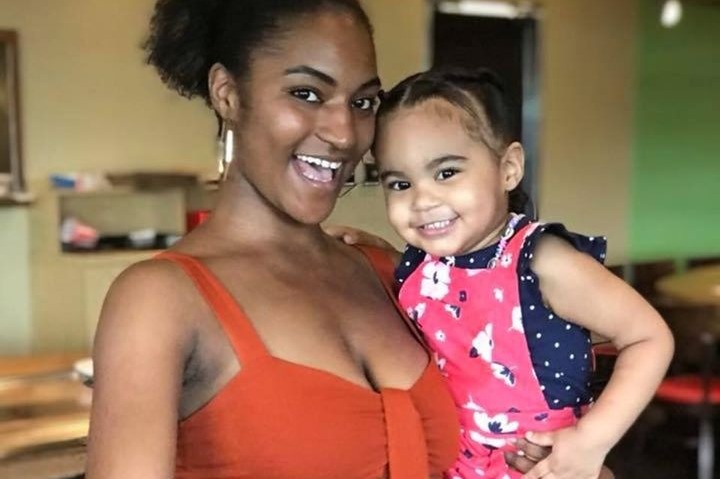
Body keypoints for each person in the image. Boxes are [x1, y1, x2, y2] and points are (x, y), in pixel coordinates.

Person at [84, 2, 554, 478]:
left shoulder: (390, 273)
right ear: (228, 94)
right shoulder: (160, 300)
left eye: (363, 103)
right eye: (306, 93)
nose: (344, 134)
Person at [339, 67, 674, 479]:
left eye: (446, 172)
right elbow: (445, 290)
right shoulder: (421, 263)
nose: (422, 200)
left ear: (509, 168)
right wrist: (376, 250)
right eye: (399, 184)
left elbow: (648, 336)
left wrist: (590, 442)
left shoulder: (541, 262)